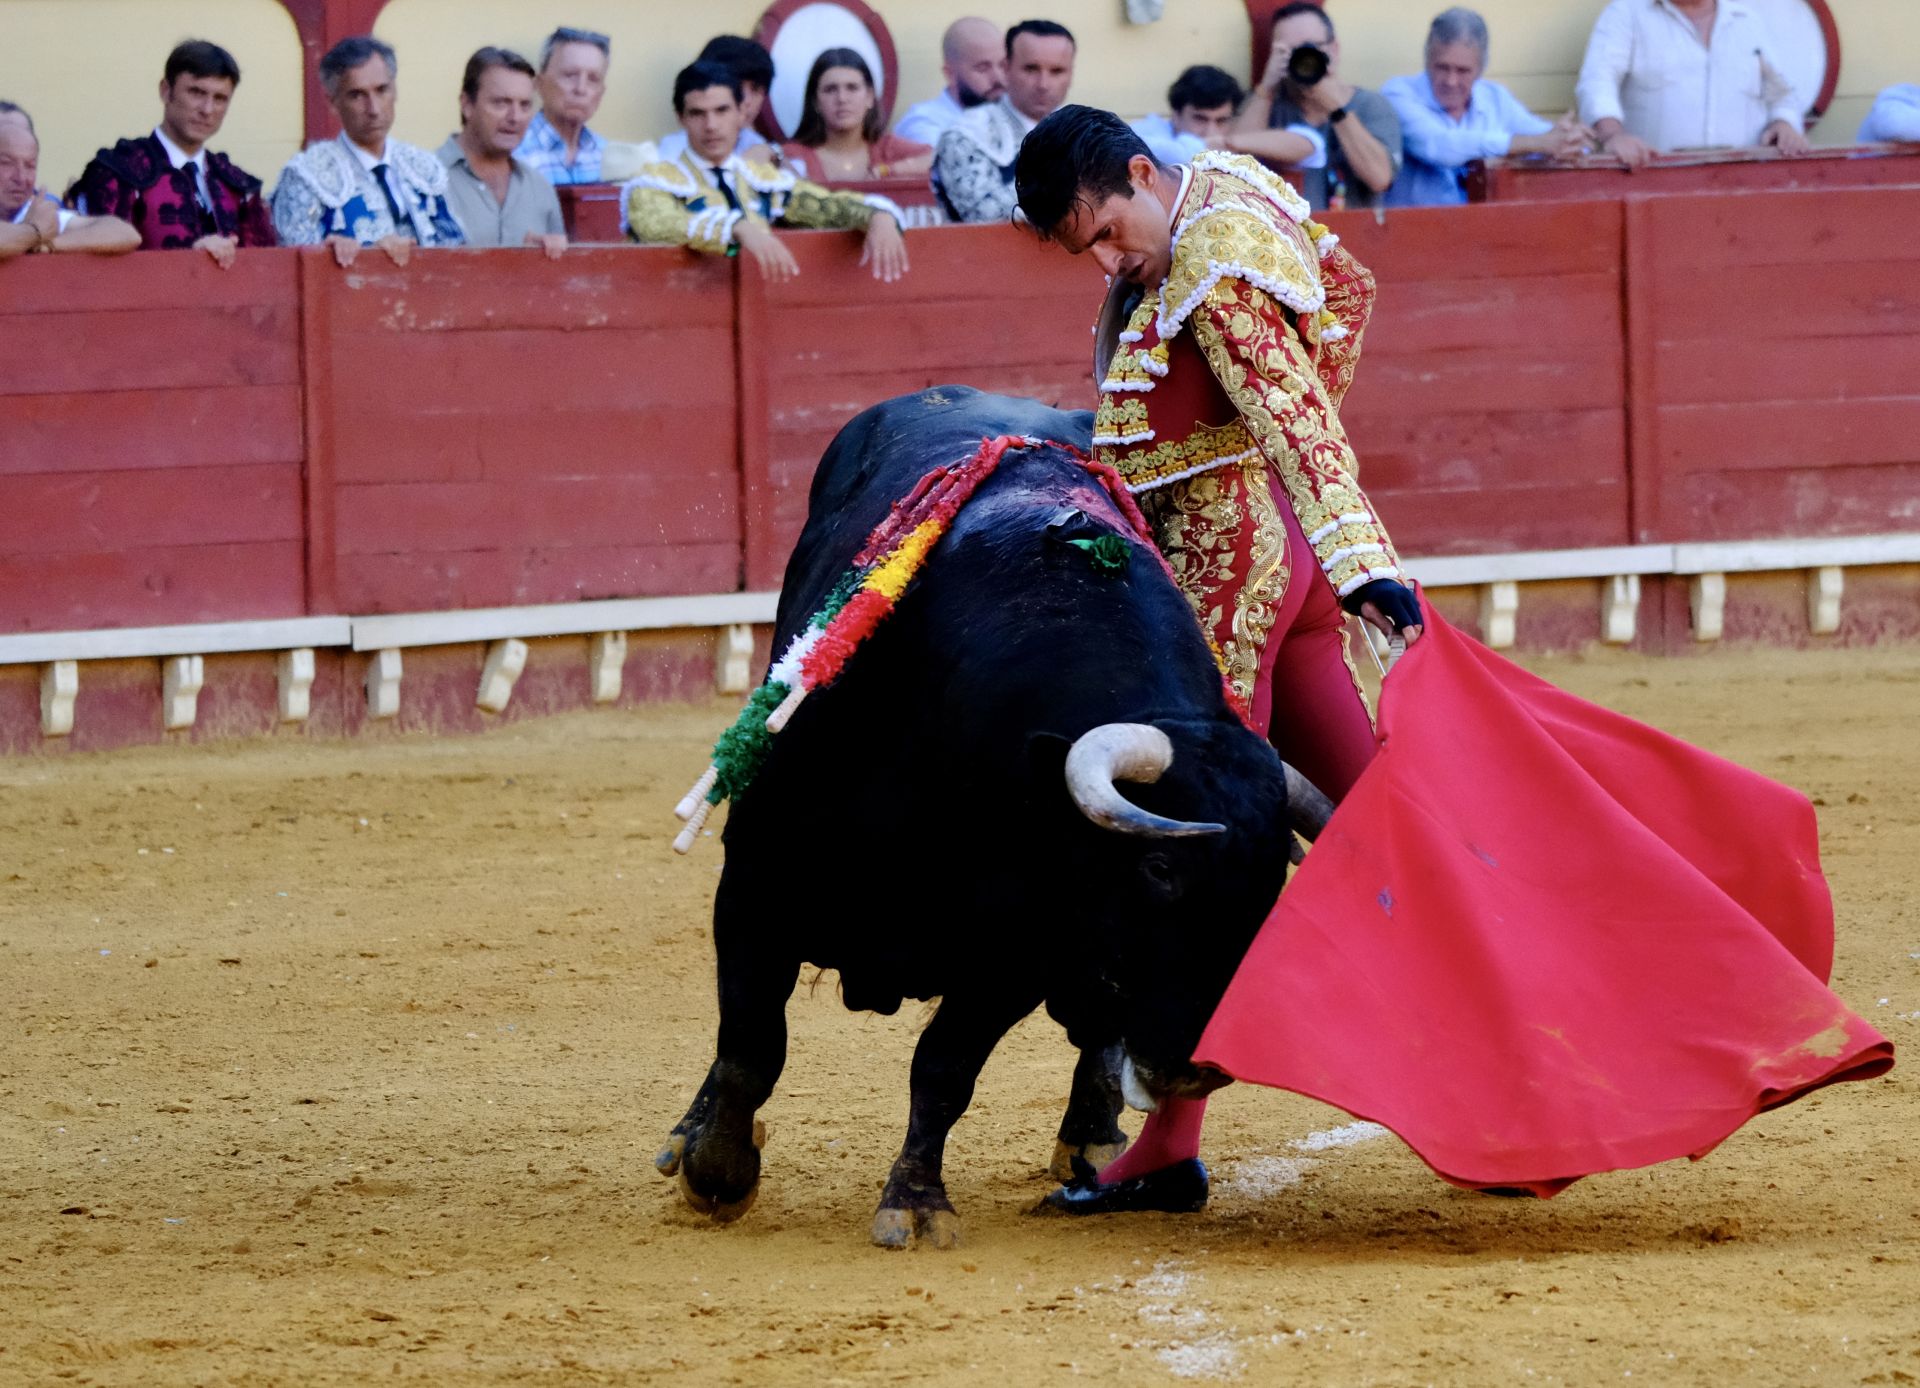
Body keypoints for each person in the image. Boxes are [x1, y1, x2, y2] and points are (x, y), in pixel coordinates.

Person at [1013, 107, 1423, 1212]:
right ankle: (1521, 1061)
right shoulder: (1229, 188)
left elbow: (1298, 421)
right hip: (1270, 553)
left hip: (1230, 578)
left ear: (1142, 172)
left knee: (1203, 853)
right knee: (1387, 829)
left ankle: (1166, 1143)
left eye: (1107, 230)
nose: (1108, 259)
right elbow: (1348, 286)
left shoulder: (1210, 260)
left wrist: (1362, 560)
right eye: (1085, 251)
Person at [624, 61, 908, 283]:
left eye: (722, 110)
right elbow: (659, 223)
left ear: (741, 113)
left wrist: (878, 217)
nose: (711, 125)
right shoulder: (655, 183)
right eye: (698, 113)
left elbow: (826, 206)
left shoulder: (760, 181)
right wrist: (738, 228)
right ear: (681, 118)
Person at [65, 40, 276, 266]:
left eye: (220, 99)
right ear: (166, 91)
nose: (207, 110)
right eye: (196, 92)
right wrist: (186, 259)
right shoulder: (118, 171)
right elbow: (100, 270)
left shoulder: (237, 185)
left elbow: (264, 267)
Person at [271, 36, 464, 265]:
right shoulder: (306, 175)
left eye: (382, 90)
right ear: (333, 102)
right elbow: (295, 267)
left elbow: (457, 257)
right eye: (357, 95)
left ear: (395, 91)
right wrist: (366, 256)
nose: (373, 109)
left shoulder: (424, 167)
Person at [1382, 8, 1590, 207]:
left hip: (1484, 231)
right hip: (1415, 235)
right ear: (1427, 59)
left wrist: (1568, 139)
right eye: (1442, 67)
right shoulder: (1398, 94)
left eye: (1463, 71)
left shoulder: (1495, 97)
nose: (1451, 81)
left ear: (1481, 69)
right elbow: (1438, 146)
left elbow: (1547, 140)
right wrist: (1533, 143)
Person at [1575, 0, 1809, 166]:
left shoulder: (1747, 19)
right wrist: (1613, 135)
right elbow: (1597, 81)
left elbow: (1782, 93)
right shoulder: (1627, 13)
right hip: (1652, 180)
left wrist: (1784, 123)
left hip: (1744, 181)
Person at [1230, 2, 1401, 212]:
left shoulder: (1370, 105)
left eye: (1312, 48)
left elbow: (1380, 178)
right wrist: (1266, 87)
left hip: (1350, 238)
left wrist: (1336, 108)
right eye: (1291, 51)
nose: (1304, 59)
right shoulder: (1265, 104)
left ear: (1334, 49)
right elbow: (1232, 164)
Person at [934, 19, 1076, 224]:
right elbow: (984, 215)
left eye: (1057, 71)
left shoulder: (1086, 129)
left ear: (1071, 74)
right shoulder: (965, 134)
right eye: (1030, 69)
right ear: (1006, 68)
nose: (1043, 84)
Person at [438, 47, 566, 256]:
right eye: (501, 103)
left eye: (525, 105)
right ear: (467, 105)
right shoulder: (424, 179)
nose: (515, 117)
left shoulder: (540, 188)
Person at [767, 48, 933, 183]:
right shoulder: (793, 155)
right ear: (815, 102)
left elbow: (940, 159)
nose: (842, 99)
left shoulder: (887, 148)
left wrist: (888, 171)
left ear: (869, 97)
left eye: (852, 88)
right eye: (831, 89)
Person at [1, 109, 140, 259]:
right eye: (6, 163)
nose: (21, 177)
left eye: (30, 166)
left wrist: (50, 245)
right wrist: (34, 232)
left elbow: (126, 234)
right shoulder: (39, 225)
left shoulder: (37, 214)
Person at [516, 26, 611, 185]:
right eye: (570, 75)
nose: (581, 89)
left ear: (601, 92)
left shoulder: (608, 156)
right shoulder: (513, 152)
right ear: (540, 84)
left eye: (593, 79)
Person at [656, 36, 775, 163]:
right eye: (737, 86)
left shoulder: (755, 143)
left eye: (756, 89)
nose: (746, 100)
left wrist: (776, 156)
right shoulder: (673, 150)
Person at [893, 17, 1007, 148]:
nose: (998, 78)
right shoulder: (924, 125)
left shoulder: (1011, 117)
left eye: (1003, 65)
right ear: (950, 74)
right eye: (982, 68)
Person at [1130, 65, 1248, 166]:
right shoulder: (1145, 131)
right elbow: (1176, 156)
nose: (1210, 132)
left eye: (1221, 121)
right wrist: (1208, 145)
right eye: (1200, 119)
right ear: (1176, 115)